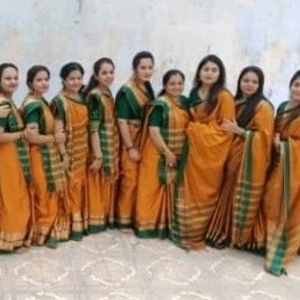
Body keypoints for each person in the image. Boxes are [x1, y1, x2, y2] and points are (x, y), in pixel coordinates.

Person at [170, 55, 235, 250]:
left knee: (206, 193)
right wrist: (194, 130)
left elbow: (226, 130)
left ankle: (198, 234)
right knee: (187, 189)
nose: (209, 73)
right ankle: (183, 232)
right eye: (206, 69)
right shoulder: (193, 93)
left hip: (212, 154)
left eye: (214, 70)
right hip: (193, 153)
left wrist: (196, 130)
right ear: (199, 72)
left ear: (220, 74)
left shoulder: (224, 96)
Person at [206, 66, 274, 250]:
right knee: (226, 192)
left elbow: (264, 137)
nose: (249, 85)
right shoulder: (235, 101)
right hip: (230, 155)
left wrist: (240, 131)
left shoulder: (263, 107)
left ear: (260, 85)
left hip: (248, 160)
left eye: (254, 82)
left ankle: (233, 235)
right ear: (239, 82)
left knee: (236, 195)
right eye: (246, 80)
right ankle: (220, 229)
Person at [135, 70, 189, 238]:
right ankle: (148, 227)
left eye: (180, 83)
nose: (176, 87)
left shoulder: (185, 103)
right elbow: (154, 131)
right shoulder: (160, 105)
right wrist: (167, 153)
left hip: (178, 153)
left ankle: (165, 226)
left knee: (172, 189)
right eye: (172, 84)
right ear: (165, 86)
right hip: (157, 153)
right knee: (152, 191)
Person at [21, 65, 68, 247]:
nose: (44, 83)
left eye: (46, 79)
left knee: (49, 193)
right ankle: (40, 234)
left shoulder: (41, 101)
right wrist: (54, 138)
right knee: (43, 193)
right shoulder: (33, 105)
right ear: (30, 83)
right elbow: (32, 136)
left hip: (46, 153)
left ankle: (48, 232)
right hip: (38, 155)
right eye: (39, 80)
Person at [264, 70, 300, 276]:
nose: (298, 89)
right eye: (296, 84)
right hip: (277, 164)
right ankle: (266, 241)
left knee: (287, 206)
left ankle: (281, 247)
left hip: (294, 167)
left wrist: (284, 146)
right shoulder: (282, 107)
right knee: (270, 201)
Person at [115, 51, 155, 229]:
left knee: (141, 179)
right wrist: (130, 146)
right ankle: (123, 219)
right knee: (129, 179)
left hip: (145, 137)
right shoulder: (127, 91)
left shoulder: (147, 87)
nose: (147, 71)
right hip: (130, 136)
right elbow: (121, 120)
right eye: (143, 68)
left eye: (150, 67)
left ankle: (135, 216)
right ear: (135, 69)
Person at [51, 62, 88, 241]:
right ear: (64, 81)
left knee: (80, 187)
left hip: (83, 150)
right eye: (71, 79)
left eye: (79, 78)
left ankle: (80, 224)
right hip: (69, 152)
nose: (76, 82)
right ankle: (68, 228)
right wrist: (64, 155)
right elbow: (58, 131)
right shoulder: (60, 102)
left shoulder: (82, 96)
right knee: (70, 188)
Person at [83, 58, 120, 232]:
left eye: (111, 72)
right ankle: (95, 221)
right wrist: (98, 155)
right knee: (98, 183)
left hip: (110, 143)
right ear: (96, 75)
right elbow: (93, 128)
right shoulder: (95, 96)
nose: (108, 76)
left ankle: (105, 217)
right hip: (99, 147)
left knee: (107, 183)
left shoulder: (107, 93)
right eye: (104, 73)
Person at [0, 63, 33, 252]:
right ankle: (9, 242)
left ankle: (14, 240)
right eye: (7, 78)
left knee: (15, 197)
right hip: (5, 158)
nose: (13, 82)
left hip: (13, 157)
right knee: (11, 199)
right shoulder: (2, 104)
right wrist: (23, 135)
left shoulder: (8, 101)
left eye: (15, 78)